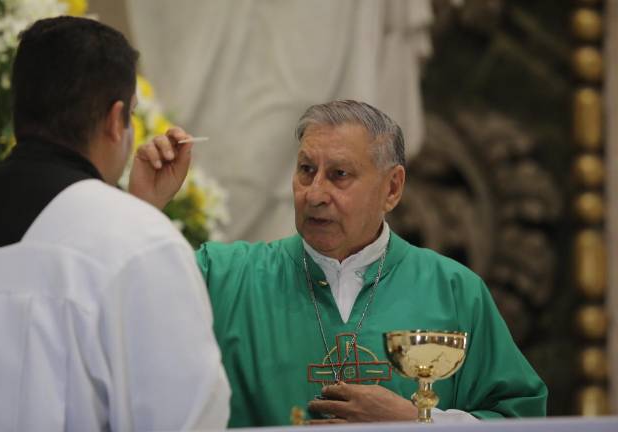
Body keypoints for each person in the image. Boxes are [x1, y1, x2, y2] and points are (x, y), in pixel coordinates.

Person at [0, 17, 229, 432]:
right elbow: (185, 418)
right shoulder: (139, 243)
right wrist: (140, 216)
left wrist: (139, 208)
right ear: (116, 120)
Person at [134, 100, 548, 427]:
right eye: (306, 171)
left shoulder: (454, 291)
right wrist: (143, 206)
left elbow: (520, 420)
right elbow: (127, 321)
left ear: (392, 188)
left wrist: (418, 421)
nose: (314, 193)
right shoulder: (224, 277)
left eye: (339, 175)